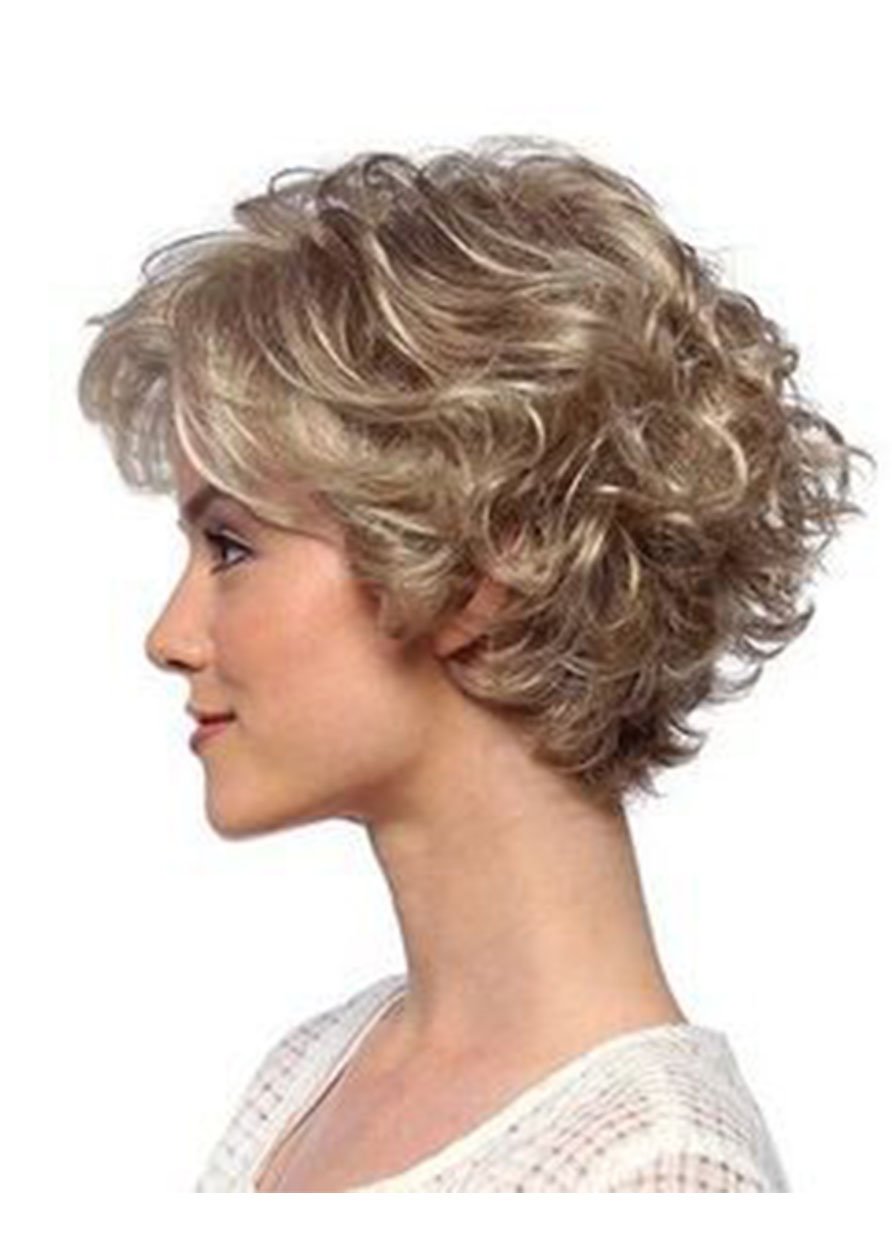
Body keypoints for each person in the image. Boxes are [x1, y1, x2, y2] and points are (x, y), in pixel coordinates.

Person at [76, 135, 870, 1192]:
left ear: (479, 574)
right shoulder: (314, 1075)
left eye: (230, 547)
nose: (169, 636)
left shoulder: (657, 1177)